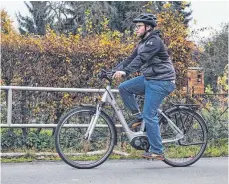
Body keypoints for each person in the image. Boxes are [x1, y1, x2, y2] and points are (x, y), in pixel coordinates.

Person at [113, 13, 176, 160]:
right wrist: (114, 70)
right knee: (124, 88)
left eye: (139, 26)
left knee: (150, 114)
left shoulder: (154, 41)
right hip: (150, 79)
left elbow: (141, 59)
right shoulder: (142, 43)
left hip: (162, 81)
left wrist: (125, 71)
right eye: (136, 26)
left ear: (148, 27)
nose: (136, 29)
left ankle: (158, 150)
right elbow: (130, 59)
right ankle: (139, 118)